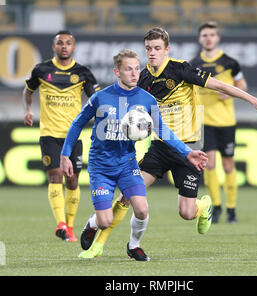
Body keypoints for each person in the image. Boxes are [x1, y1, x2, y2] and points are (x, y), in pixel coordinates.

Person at [79, 27, 257, 259]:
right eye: (148, 49)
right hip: (160, 147)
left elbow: (220, 86)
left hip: (190, 148)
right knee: (127, 193)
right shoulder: (142, 78)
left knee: (186, 213)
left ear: (167, 49)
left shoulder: (181, 69)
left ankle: (203, 206)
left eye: (157, 48)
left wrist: (253, 100)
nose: (152, 53)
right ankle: (100, 245)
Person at [60, 49, 209, 261]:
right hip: (101, 166)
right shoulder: (100, 98)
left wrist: (188, 153)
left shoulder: (146, 99)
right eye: (128, 69)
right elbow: (77, 124)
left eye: (137, 68)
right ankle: (93, 223)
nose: (134, 73)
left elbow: (163, 130)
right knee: (104, 221)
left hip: (127, 164)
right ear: (117, 72)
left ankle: (134, 246)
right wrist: (65, 155)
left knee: (141, 209)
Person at [23, 30, 100, 242]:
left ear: (73, 47)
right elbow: (27, 91)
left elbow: (97, 99)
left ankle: (70, 225)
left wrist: (100, 118)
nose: (64, 46)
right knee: (55, 175)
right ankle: (61, 224)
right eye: (60, 43)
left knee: (73, 180)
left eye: (68, 43)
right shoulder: (41, 70)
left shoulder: (83, 73)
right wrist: (27, 110)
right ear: (53, 47)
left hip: (73, 136)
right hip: (49, 134)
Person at [190, 21, 248, 224]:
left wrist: (231, 93)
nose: (208, 38)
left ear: (217, 38)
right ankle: (216, 206)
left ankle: (231, 208)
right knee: (210, 163)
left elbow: (243, 85)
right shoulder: (193, 64)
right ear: (200, 39)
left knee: (229, 164)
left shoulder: (230, 63)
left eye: (212, 35)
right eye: (205, 34)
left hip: (226, 121)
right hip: (205, 123)